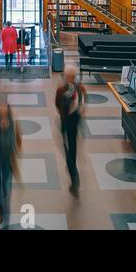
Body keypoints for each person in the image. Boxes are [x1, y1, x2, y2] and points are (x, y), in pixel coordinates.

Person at [54, 67, 86, 195]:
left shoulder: (62, 90)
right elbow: (83, 104)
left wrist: (63, 113)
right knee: (72, 146)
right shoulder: (80, 88)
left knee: (68, 148)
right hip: (75, 121)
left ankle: (75, 179)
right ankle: (71, 164)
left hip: (67, 123)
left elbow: (57, 104)